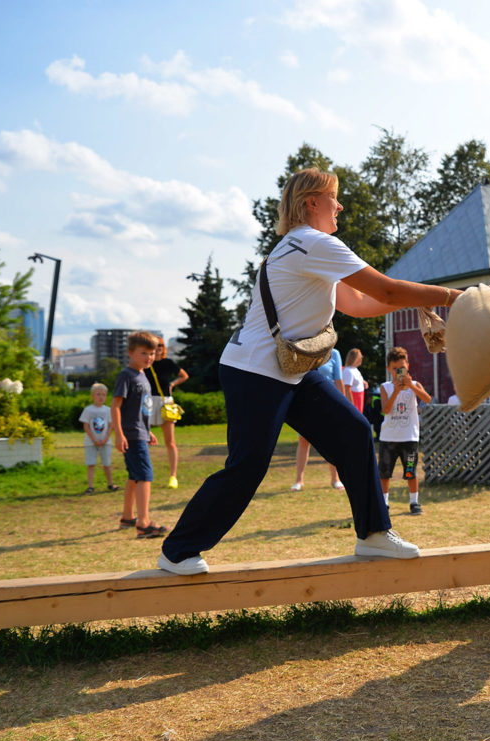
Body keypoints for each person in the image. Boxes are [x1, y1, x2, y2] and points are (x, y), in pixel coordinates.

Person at [157, 167, 460, 575]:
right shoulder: (314, 244)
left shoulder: (300, 247)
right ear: (311, 203)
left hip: (292, 369)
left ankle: (373, 536)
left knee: (353, 432)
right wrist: (452, 298)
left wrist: (418, 303)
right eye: (334, 198)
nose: (340, 205)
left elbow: (358, 302)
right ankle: (177, 551)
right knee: (247, 465)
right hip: (256, 371)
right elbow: (384, 290)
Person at [112, 331, 165, 538]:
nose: (149, 357)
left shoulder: (143, 375)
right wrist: (119, 434)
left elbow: (141, 408)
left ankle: (127, 517)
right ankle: (143, 523)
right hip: (131, 434)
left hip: (140, 432)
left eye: (152, 353)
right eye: (144, 353)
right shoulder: (127, 375)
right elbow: (115, 406)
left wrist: (148, 431)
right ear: (130, 353)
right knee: (145, 476)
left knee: (134, 476)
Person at [380, 346, 429, 515]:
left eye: (401, 367)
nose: (398, 371)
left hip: (409, 437)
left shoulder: (415, 384)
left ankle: (414, 503)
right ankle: (384, 504)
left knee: (410, 471)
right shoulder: (385, 387)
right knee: (385, 473)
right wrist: (396, 390)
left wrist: (411, 387)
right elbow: (386, 409)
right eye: (395, 369)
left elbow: (427, 399)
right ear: (389, 369)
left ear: (407, 366)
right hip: (389, 438)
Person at [291, 348, 347, 491]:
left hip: (328, 403)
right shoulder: (303, 348)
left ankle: (335, 479)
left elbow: (338, 380)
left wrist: (344, 406)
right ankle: (299, 480)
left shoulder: (334, 353)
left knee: (333, 441)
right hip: (306, 402)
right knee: (304, 440)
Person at [144, 337, 189, 489]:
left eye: (161, 345)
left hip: (165, 403)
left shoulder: (168, 363)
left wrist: (172, 384)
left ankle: (173, 476)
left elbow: (184, 375)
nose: (158, 348)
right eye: (155, 345)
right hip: (148, 402)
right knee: (143, 439)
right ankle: (143, 475)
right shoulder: (146, 364)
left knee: (170, 442)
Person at [78, 383, 118, 494]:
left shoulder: (108, 410)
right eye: (98, 394)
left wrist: (105, 439)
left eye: (103, 395)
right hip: (91, 442)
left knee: (107, 464)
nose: (101, 397)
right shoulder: (88, 410)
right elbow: (86, 426)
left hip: (106, 442)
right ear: (93, 396)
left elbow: (111, 425)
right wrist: (94, 439)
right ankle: (91, 486)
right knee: (91, 464)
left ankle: (110, 484)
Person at [343, 348, 367, 413]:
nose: (362, 358)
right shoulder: (348, 371)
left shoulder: (355, 369)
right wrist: (351, 406)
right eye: (360, 357)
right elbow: (347, 389)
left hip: (359, 399)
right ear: (355, 358)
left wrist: (363, 382)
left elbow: (356, 380)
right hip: (354, 399)